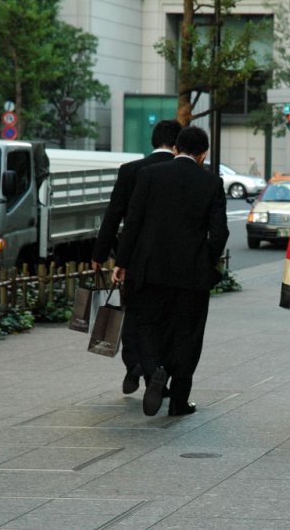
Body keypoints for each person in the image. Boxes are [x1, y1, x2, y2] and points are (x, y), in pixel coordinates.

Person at [113, 126, 229, 417]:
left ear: (175, 148)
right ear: (204, 154)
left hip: (148, 270)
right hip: (191, 275)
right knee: (187, 334)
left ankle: (154, 373)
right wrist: (206, 259)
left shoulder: (149, 176)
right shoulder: (211, 182)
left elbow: (133, 223)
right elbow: (220, 233)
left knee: (147, 325)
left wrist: (122, 263)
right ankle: (179, 402)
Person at [91, 119, 182, 396]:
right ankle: (156, 373)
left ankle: (135, 364)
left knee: (133, 314)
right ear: (177, 144)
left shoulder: (130, 170)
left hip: (132, 258)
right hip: (171, 260)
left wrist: (100, 253)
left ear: (153, 141)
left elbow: (114, 214)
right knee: (165, 319)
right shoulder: (181, 172)